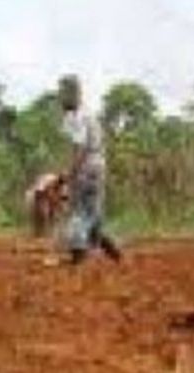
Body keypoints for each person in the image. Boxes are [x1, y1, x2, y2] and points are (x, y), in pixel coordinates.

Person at [58, 75, 122, 265]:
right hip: (96, 165)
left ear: (74, 94)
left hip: (88, 166)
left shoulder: (79, 117)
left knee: (80, 210)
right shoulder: (80, 115)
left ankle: (78, 253)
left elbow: (80, 149)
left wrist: (70, 173)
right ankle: (112, 250)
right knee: (92, 212)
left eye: (63, 93)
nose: (61, 98)